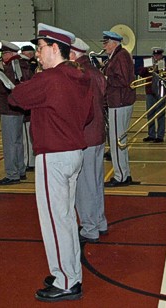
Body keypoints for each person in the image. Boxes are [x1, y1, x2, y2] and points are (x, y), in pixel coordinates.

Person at [8, 23, 93, 302]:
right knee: (66, 218)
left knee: (55, 222)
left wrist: (34, 78)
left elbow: (16, 97)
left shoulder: (50, 79)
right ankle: (70, 271)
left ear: (55, 48)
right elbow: (90, 115)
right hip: (73, 152)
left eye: (41, 48)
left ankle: (66, 280)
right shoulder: (80, 76)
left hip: (53, 155)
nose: (38, 54)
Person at [70, 37, 108, 242]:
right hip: (98, 134)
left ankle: (89, 227)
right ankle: (99, 222)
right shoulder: (96, 72)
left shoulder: (79, 75)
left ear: (73, 54)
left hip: (85, 135)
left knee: (84, 185)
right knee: (95, 182)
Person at [0, 41, 32, 185]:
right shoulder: (22, 64)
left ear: (11, 54)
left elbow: (10, 86)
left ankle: (12, 174)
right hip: (18, 109)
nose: (3, 56)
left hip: (9, 109)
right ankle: (20, 170)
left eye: (4, 53)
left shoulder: (13, 66)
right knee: (17, 142)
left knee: (10, 143)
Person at [102, 30, 136, 187]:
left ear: (113, 43)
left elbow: (123, 80)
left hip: (119, 102)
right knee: (120, 141)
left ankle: (120, 176)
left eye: (106, 43)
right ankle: (125, 174)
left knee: (117, 142)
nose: (104, 46)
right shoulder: (120, 55)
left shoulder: (120, 56)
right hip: (121, 101)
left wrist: (106, 78)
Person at [138, 47, 166, 143]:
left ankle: (160, 136)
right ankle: (151, 134)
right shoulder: (148, 62)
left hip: (160, 91)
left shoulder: (164, 64)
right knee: (150, 113)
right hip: (150, 91)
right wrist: (147, 67)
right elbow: (141, 73)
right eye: (155, 55)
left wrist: (159, 68)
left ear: (161, 55)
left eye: (158, 55)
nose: (156, 57)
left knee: (160, 114)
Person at [20, 44, 38, 171]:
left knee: (27, 137)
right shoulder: (32, 65)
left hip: (29, 109)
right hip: (32, 108)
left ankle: (29, 162)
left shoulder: (30, 66)